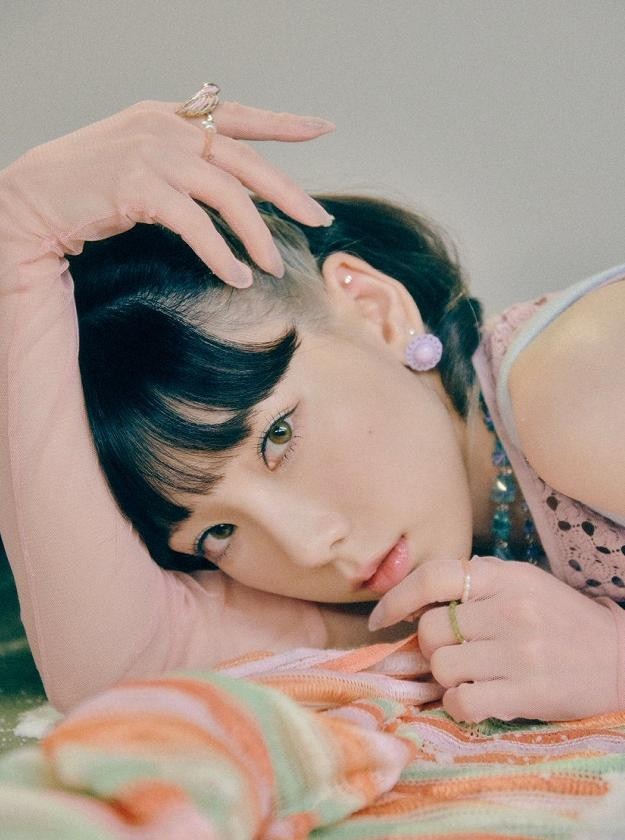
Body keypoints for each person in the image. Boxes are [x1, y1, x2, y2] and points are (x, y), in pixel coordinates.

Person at [1, 88, 624, 725]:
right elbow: (116, 676)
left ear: (376, 310)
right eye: (218, 534)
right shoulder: (418, 572)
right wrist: (16, 247)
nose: (305, 547)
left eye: (278, 436)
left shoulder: (577, 388)